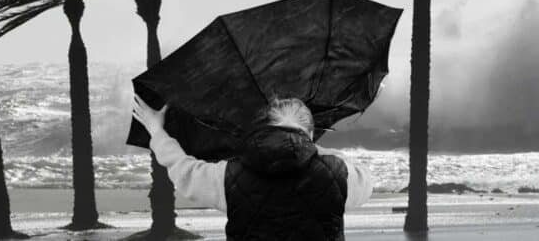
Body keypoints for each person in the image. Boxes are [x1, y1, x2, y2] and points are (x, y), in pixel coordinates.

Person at [132, 95, 373, 241]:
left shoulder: (228, 175)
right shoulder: (339, 174)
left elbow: (184, 169)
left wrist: (156, 131)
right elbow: (366, 180)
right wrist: (314, 149)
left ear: (265, 128)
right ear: (310, 132)